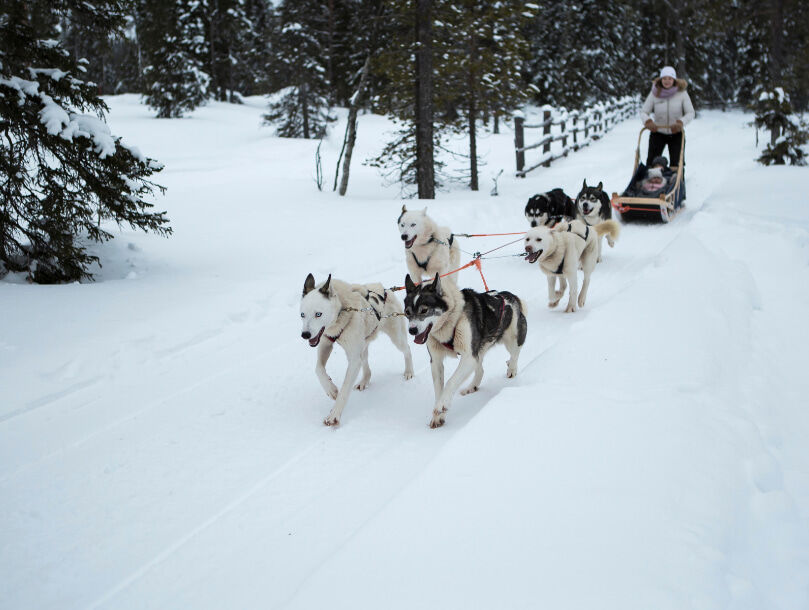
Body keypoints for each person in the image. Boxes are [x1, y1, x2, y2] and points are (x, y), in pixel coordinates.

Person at [640, 66, 695, 169]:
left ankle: (678, 182)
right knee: (652, 162)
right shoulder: (654, 93)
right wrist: (647, 121)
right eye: (664, 78)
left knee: (677, 163)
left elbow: (690, 113)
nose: (667, 81)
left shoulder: (682, 93)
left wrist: (681, 122)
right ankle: (651, 182)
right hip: (658, 132)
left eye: (669, 78)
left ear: (674, 80)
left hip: (676, 132)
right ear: (661, 80)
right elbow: (644, 111)